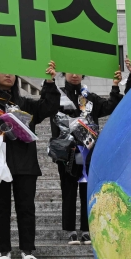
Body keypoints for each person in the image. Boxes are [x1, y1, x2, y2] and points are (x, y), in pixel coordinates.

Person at [0, 63, 60, 259]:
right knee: (0, 208)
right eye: (3, 69)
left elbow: (49, 107)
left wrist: (49, 81)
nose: (8, 73)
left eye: (12, 70)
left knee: (26, 207)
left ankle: (27, 250)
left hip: (25, 164)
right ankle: (3, 251)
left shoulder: (25, 104)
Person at [52, 70, 123, 245]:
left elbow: (110, 106)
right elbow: (47, 109)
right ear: (64, 73)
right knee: (68, 191)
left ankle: (86, 229)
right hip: (67, 153)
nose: (74, 75)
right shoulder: (57, 95)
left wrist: (115, 86)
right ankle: (70, 230)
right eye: (70, 71)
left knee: (86, 191)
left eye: (78, 72)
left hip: (87, 153)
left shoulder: (90, 98)